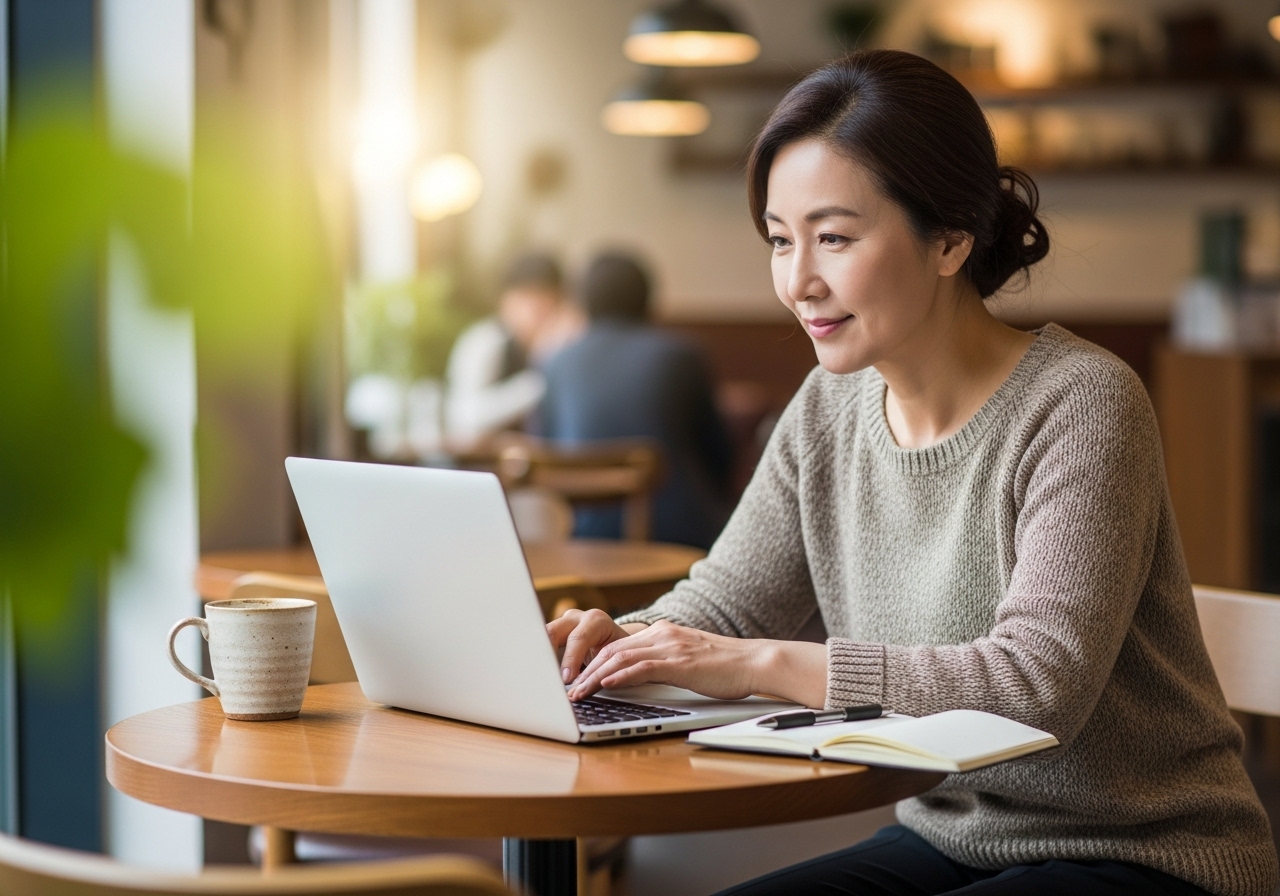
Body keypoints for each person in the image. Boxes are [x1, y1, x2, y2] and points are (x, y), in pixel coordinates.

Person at [546, 50, 1278, 896]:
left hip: (1149, 853)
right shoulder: (827, 407)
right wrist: (616, 644)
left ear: (951, 239)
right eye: (781, 241)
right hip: (954, 838)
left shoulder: (1083, 403)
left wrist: (757, 665)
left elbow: (1033, 689)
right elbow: (725, 606)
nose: (798, 282)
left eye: (834, 238)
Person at [536, 252, 733, 549]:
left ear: (583, 303)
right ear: (648, 299)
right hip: (678, 536)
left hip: (582, 534)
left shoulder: (555, 362)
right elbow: (718, 452)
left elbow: (548, 449)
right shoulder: (681, 356)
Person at [444, 252, 582, 447]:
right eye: (527, 300)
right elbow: (464, 419)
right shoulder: (484, 341)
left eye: (545, 302)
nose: (535, 312)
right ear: (505, 301)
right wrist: (541, 377)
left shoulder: (571, 343)